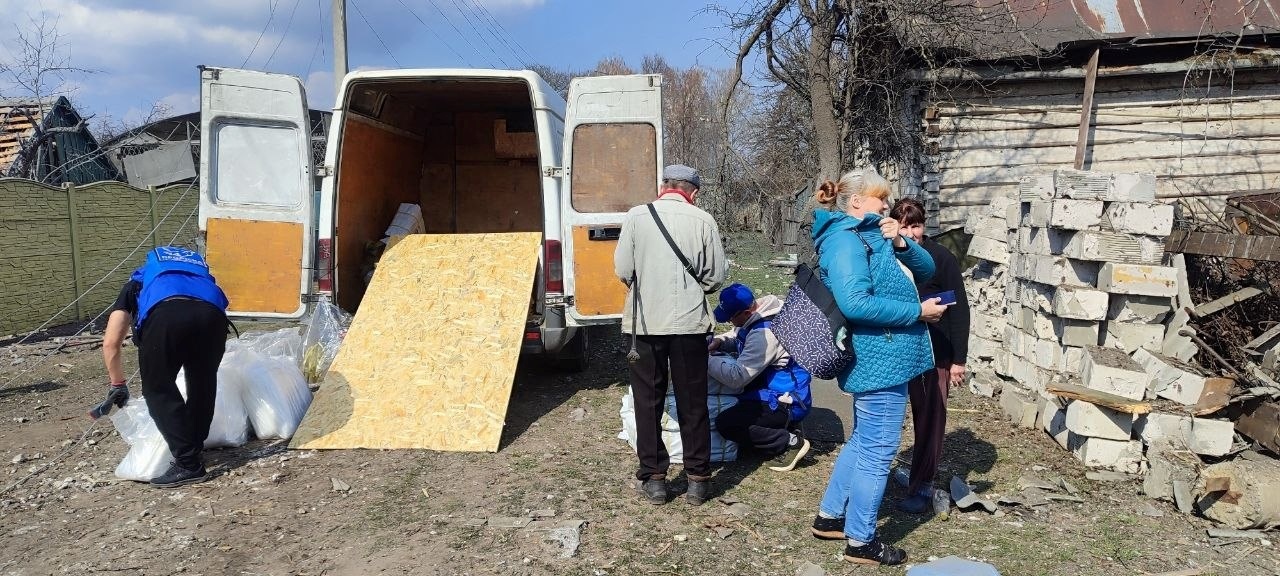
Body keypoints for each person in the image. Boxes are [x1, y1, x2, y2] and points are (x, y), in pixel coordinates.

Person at [807, 168, 948, 566]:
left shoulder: (869, 234)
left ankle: (830, 516)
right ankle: (860, 540)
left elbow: (927, 270)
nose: (887, 204)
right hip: (878, 358)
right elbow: (856, 304)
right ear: (855, 202)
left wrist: (901, 240)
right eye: (879, 198)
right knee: (878, 449)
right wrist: (917, 312)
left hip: (886, 354)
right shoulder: (845, 242)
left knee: (864, 441)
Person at [615, 164, 727, 506]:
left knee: (647, 402)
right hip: (690, 326)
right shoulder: (704, 220)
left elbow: (622, 270)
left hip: (645, 325)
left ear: (664, 186)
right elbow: (715, 276)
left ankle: (655, 479)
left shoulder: (636, 217)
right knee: (694, 402)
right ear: (692, 191)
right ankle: (697, 481)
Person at [94, 246, 231, 488]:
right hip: (213, 318)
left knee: (158, 389)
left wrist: (117, 383)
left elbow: (111, 343)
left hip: (167, 317)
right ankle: (193, 449)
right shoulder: (199, 279)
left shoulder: (138, 282)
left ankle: (188, 464)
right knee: (203, 383)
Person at [889, 197, 972, 514]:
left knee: (930, 419)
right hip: (897, 350)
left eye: (916, 225)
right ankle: (904, 471)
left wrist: (958, 361)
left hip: (935, 352)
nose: (911, 233)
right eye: (904, 226)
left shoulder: (941, 258)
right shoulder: (888, 257)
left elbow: (959, 311)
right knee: (894, 417)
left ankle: (922, 484)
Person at [708, 283, 813, 472]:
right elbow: (738, 336)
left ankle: (789, 442)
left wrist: (704, 360)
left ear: (747, 312)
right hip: (775, 392)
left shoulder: (766, 333)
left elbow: (737, 377)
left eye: (731, 317)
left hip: (784, 400)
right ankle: (782, 427)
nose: (729, 322)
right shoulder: (761, 315)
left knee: (727, 423)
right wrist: (720, 342)